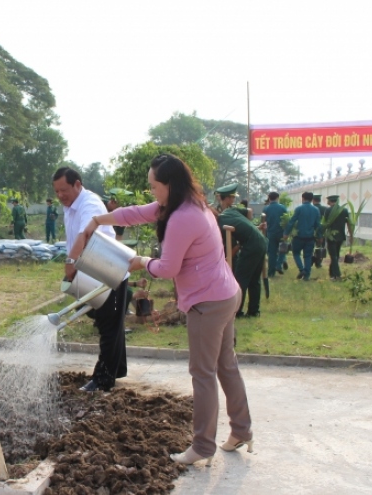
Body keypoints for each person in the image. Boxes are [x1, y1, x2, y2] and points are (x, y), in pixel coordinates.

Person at [84, 153, 252, 465]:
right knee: (226, 364)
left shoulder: (182, 217)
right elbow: (135, 214)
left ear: (170, 185)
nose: (152, 193)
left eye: (154, 186)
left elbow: (167, 268)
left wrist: (141, 262)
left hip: (208, 303)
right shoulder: (188, 204)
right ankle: (242, 429)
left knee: (203, 373)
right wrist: (99, 220)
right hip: (226, 293)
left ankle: (203, 446)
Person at [52, 166, 128, 392]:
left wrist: (70, 264)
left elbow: (86, 234)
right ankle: (118, 367)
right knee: (110, 323)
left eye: (64, 190)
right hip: (95, 271)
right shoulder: (71, 205)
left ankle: (103, 380)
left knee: (108, 327)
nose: (60, 196)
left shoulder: (90, 203)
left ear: (77, 184)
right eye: (56, 191)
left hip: (109, 272)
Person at [216, 184, 266, 317]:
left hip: (251, 245)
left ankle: (236, 311)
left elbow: (229, 242)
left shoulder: (223, 219)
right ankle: (254, 311)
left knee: (240, 279)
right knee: (254, 280)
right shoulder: (232, 212)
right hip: (260, 241)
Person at [283, 191, 321, 281]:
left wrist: (286, 233)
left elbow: (292, 222)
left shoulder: (299, 209)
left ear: (303, 198)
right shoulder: (316, 210)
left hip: (298, 237)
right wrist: (319, 236)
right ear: (312, 199)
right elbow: (318, 225)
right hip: (310, 237)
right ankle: (306, 276)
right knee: (307, 256)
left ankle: (301, 269)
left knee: (296, 253)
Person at [320, 195, 354, 281]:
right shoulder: (344, 210)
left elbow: (325, 223)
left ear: (329, 201)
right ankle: (332, 274)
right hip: (341, 236)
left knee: (333, 256)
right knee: (336, 255)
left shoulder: (328, 210)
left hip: (331, 236)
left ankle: (337, 275)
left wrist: (321, 234)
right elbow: (349, 223)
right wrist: (351, 235)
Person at [262, 192, 288, 276]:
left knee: (272, 253)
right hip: (281, 233)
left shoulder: (266, 209)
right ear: (277, 198)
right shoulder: (283, 208)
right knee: (282, 250)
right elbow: (286, 220)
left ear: (269, 198)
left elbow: (263, 222)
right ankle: (278, 265)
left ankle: (271, 272)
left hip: (270, 233)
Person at [311, 193, 328, 268]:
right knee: (321, 246)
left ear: (313, 200)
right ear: (320, 200)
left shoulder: (311, 208)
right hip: (322, 231)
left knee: (311, 247)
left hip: (311, 231)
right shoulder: (325, 209)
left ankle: (311, 260)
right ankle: (318, 262)